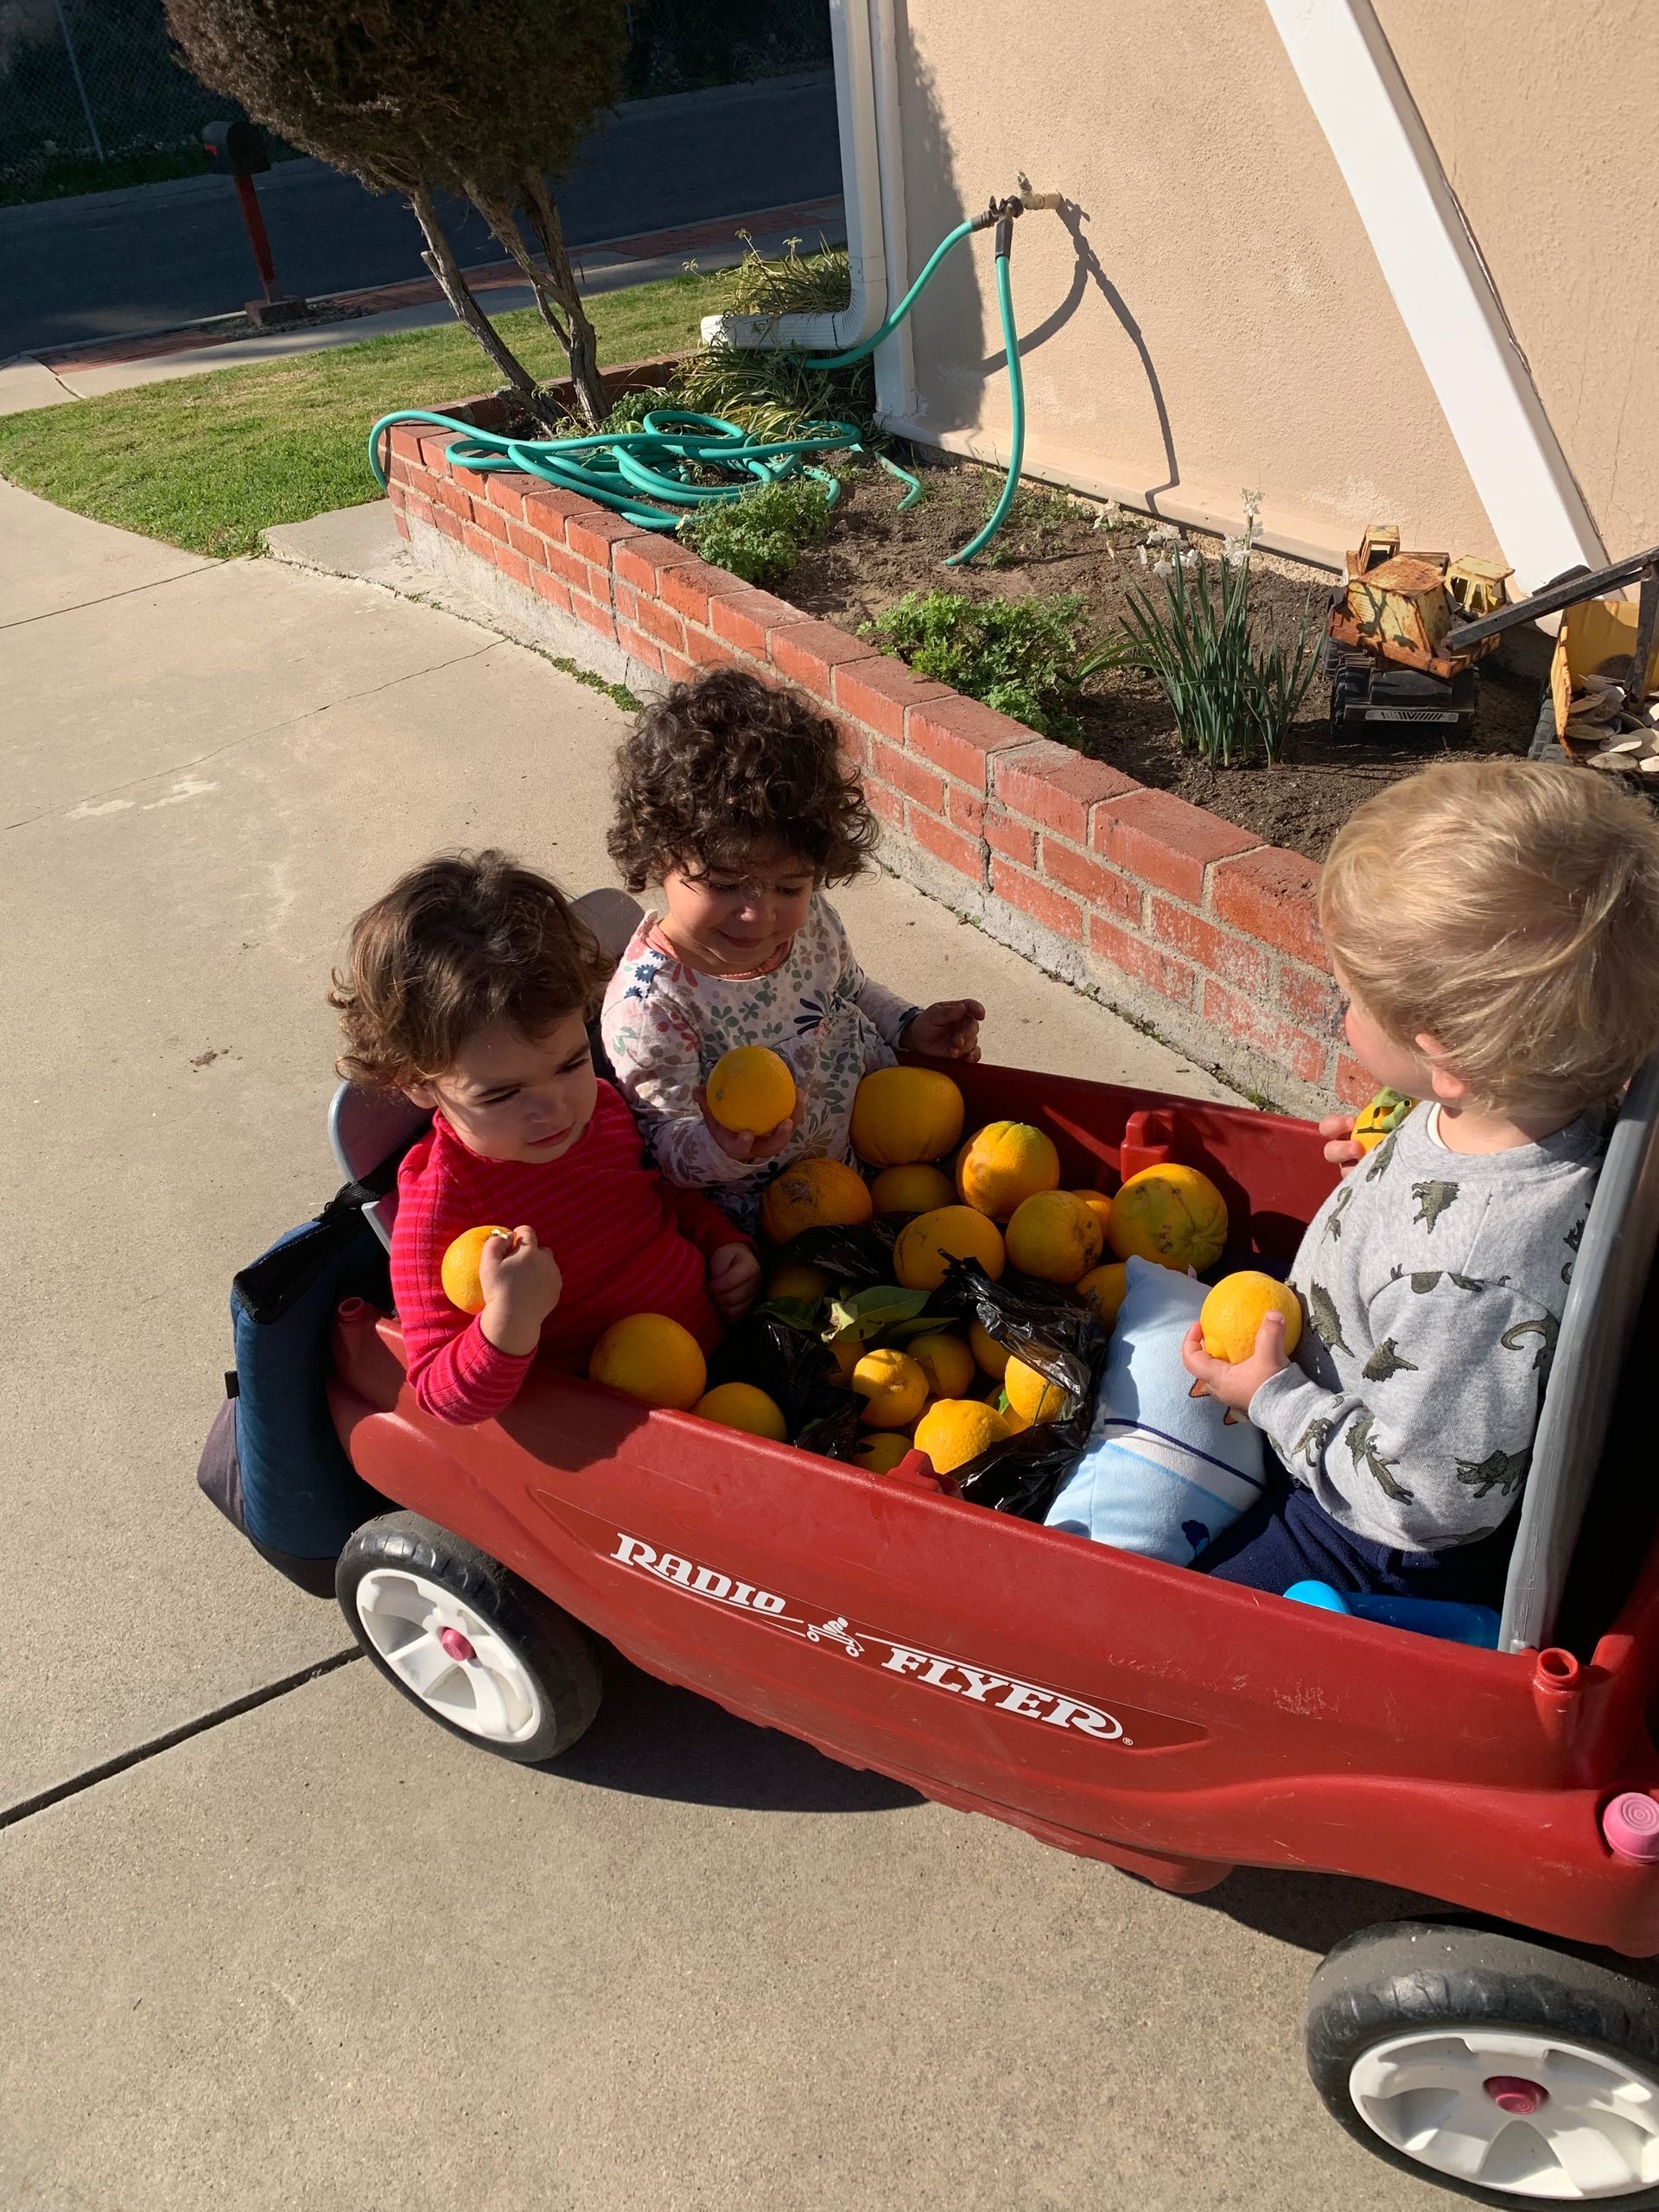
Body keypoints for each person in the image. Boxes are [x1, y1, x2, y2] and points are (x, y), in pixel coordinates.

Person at [1180, 760, 1659, 1602]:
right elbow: (1463, 1206)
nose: (1341, 1013)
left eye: (1349, 1002)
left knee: (1169, 1617)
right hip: (1346, 1389)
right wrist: (1397, 1170)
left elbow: (1428, 1500)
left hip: (1372, 1534)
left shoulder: (1472, 1277)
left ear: (1445, 1059)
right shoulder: (1533, 1103)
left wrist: (1274, 1400)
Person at [331, 851, 760, 1426]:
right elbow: (440, 1397)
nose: (553, 1109)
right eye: (502, 1095)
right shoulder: (440, 1207)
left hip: (730, 1366)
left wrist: (721, 1244)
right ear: (417, 1083)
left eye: (571, 1063)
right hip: (628, 1435)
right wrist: (507, 1322)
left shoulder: (599, 1110)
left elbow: (655, 1197)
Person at [601, 667, 983, 1226]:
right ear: (659, 856)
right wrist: (724, 1149)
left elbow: (848, 990)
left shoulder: (808, 926)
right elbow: (664, 1145)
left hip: (879, 1163)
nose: (759, 914)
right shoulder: (651, 1007)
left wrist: (907, 1025)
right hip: (776, 1217)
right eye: (725, 884)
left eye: (789, 887)